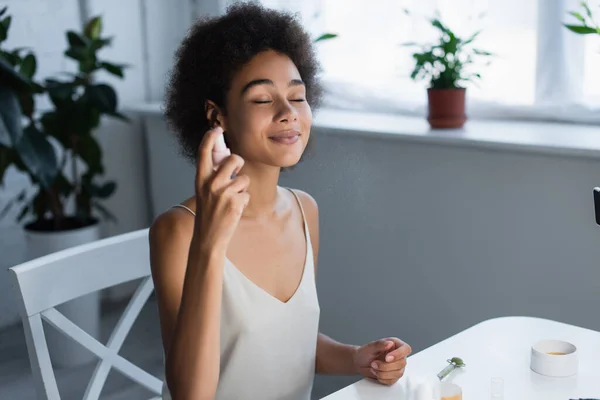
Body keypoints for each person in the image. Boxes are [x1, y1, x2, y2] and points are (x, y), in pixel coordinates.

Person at [149, 3, 412, 399]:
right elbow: (191, 394)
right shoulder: (179, 231)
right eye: (261, 100)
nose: (289, 113)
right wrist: (210, 240)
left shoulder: (305, 210)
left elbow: (287, 340)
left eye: (298, 96)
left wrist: (358, 357)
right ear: (216, 116)